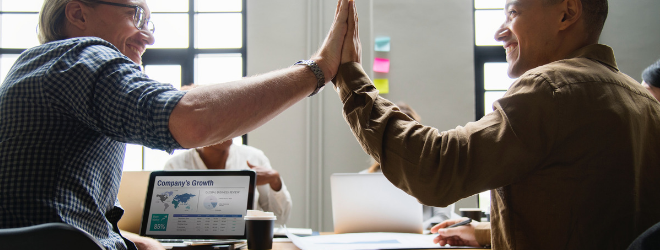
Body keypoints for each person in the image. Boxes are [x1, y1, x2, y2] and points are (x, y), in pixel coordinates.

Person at [0, 0, 353, 249]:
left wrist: (132, 240)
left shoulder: (30, 70)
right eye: (134, 14)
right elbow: (192, 121)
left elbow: (56, 210)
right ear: (77, 13)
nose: (148, 37)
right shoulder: (81, 56)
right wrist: (318, 69)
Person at [332, 0, 660, 249]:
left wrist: (349, 74)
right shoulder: (646, 104)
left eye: (512, 13)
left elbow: (436, 166)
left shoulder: (551, 87)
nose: (499, 32)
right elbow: (597, 222)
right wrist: (486, 233)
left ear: (566, 13)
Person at [164, 84, 292, 226]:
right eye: (215, 121)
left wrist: (275, 181)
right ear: (194, 128)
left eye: (228, 118)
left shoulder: (254, 158)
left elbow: (280, 221)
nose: (228, 127)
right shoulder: (175, 167)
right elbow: (170, 222)